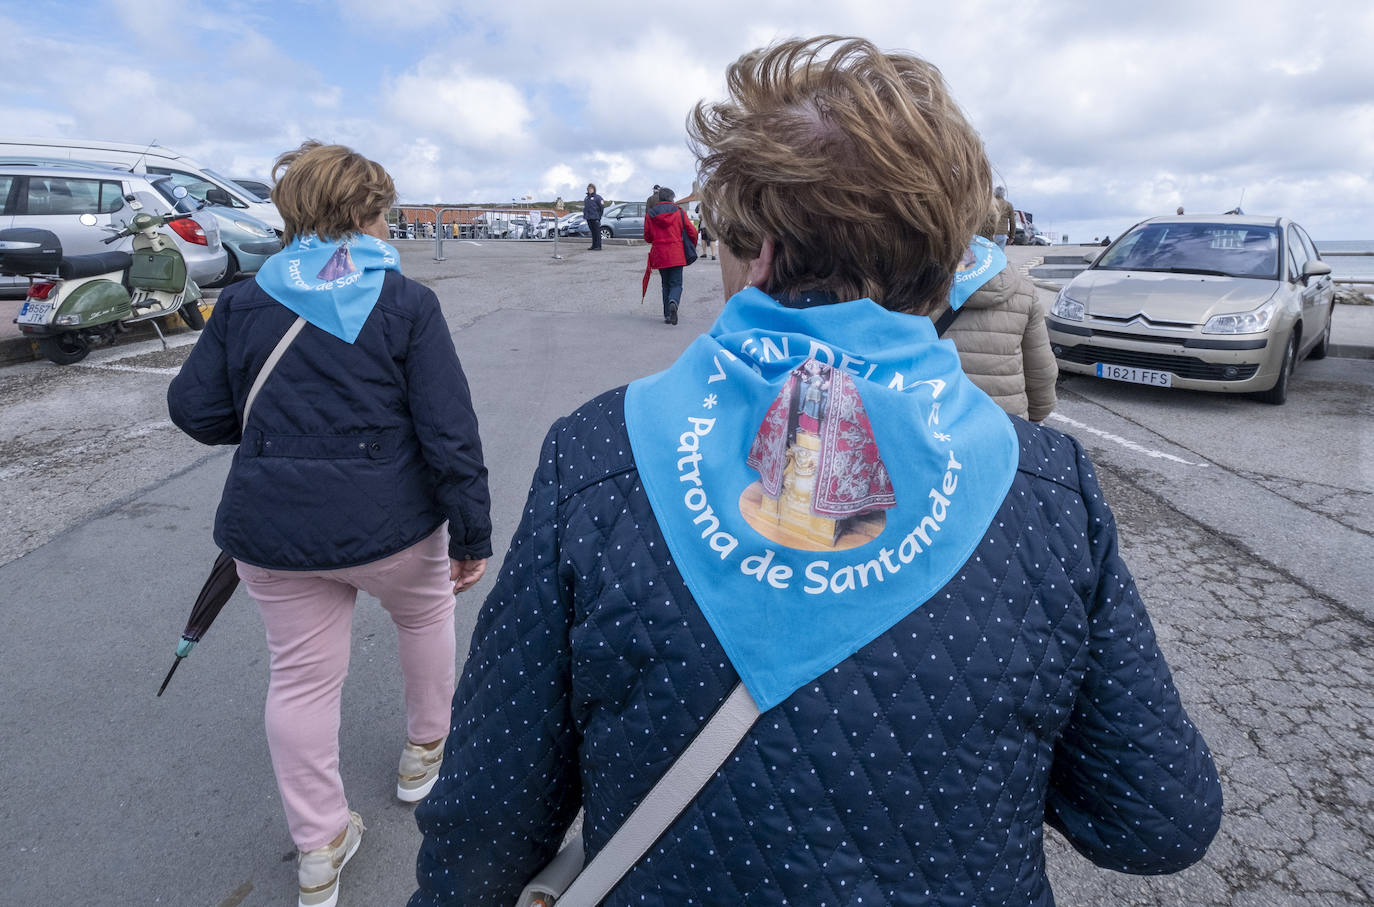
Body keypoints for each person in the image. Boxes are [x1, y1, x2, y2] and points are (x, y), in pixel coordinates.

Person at [411, 37, 1220, 907]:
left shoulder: (601, 454)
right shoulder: (1047, 488)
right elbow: (1157, 819)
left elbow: (488, 821)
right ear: (948, 265)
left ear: (756, 253)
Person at [168, 140, 492, 907]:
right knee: (425, 617)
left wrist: (271, 432)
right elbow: (448, 430)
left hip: (271, 529)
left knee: (302, 678)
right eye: (381, 210)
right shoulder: (406, 302)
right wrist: (472, 530)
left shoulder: (246, 299)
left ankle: (319, 846)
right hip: (395, 526)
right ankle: (423, 751)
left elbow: (193, 408)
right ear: (360, 213)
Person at [933, 234, 1058, 421]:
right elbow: (1041, 373)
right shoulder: (1024, 291)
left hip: (936, 425)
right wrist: (1036, 415)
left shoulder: (913, 285)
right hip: (1007, 426)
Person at [641, 186, 698, 324]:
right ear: (672, 198)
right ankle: (674, 301)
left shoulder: (650, 214)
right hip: (677, 252)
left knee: (665, 284)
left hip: (660, 253)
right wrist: (692, 246)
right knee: (676, 283)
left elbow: (648, 237)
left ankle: (667, 314)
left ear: (659, 198)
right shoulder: (679, 212)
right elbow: (693, 232)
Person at [583, 182, 605, 250]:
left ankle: (598, 246)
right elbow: (586, 208)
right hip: (589, 218)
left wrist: (599, 217)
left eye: (591, 189)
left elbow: (601, 208)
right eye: (588, 189)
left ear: (594, 189)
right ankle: (594, 245)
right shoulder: (586, 198)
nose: (590, 190)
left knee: (597, 233)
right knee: (593, 233)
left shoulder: (598, 197)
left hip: (595, 218)